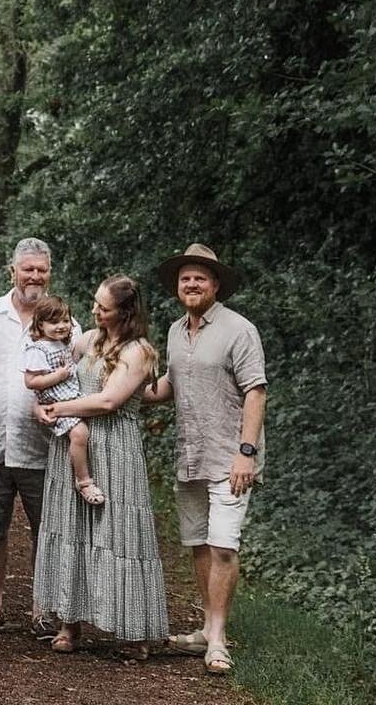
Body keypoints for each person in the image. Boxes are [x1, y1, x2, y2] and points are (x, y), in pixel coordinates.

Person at [145, 242, 267, 676]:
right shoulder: (177, 330)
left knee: (223, 545)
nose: (191, 284)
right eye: (185, 279)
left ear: (216, 284)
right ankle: (204, 628)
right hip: (191, 454)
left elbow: (256, 391)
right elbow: (168, 387)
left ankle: (217, 638)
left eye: (200, 277)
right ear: (178, 287)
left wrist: (246, 453)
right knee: (197, 543)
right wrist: (126, 387)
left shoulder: (239, 330)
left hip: (230, 456)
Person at [31, 275, 169, 654]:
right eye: (94, 303)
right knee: (69, 526)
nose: (94, 311)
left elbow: (109, 401)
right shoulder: (87, 340)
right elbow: (49, 377)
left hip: (114, 446)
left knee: (119, 532)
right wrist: (39, 404)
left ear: (124, 313)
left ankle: (135, 632)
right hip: (74, 442)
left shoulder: (138, 351)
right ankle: (68, 622)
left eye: (103, 308)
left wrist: (59, 409)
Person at [0, 236, 78, 634]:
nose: (34, 276)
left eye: (41, 269)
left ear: (50, 273)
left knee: (44, 528)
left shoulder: (65, 321)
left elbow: (77, 374)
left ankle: (42, 609)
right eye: (27, 268)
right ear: (12, 271)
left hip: (43, 443)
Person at [23, 294, 102, 505]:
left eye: (65, 321)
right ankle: (84, 481)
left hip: (71, 396)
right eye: (54, 322)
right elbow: (30, 382)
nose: (61, 326)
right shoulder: (37, 349)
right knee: (79, 432)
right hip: (55, 401)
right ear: (40, 324)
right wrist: (57, 376)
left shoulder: (63, 345)